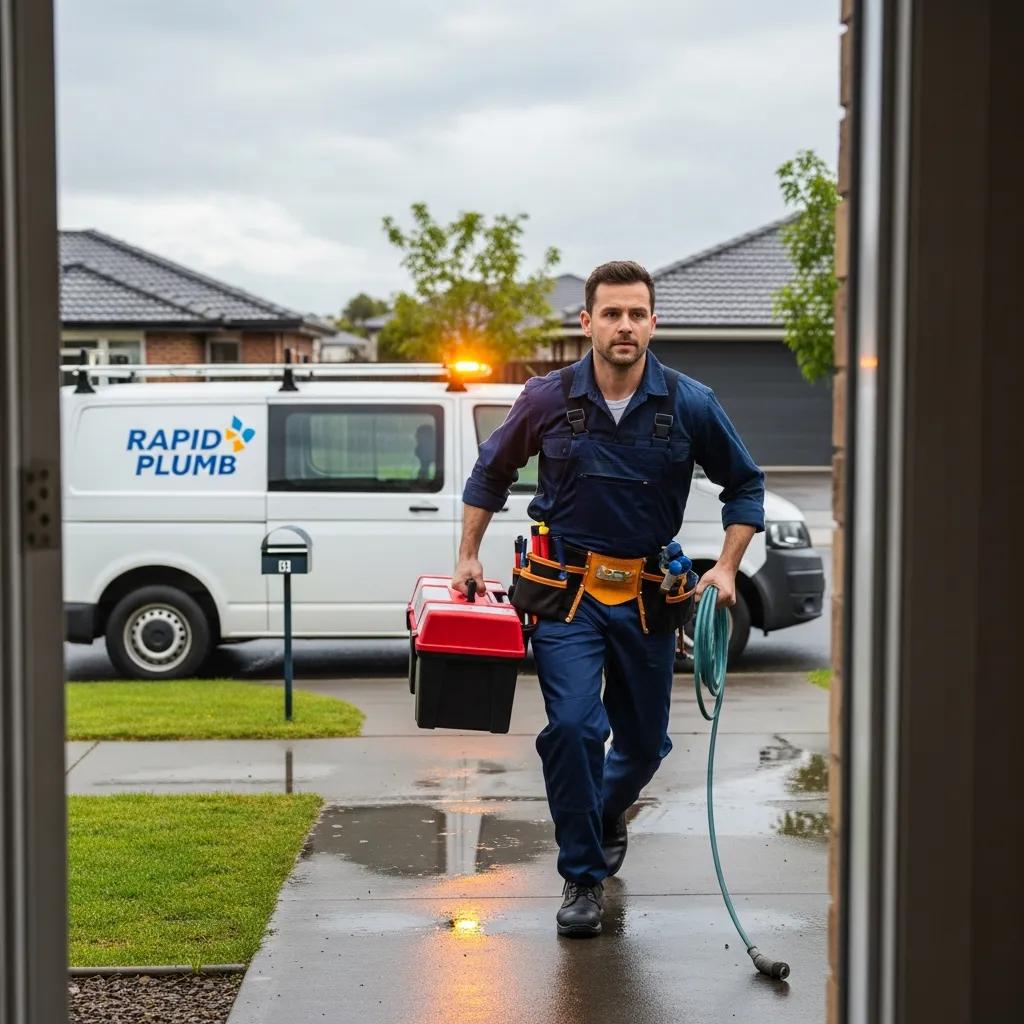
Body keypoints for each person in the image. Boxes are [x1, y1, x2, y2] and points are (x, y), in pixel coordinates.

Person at [452, 260, 765, 937]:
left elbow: (745, 485)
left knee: (646, 746)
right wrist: (468, 553)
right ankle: (582, 877)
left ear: (654, 323)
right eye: (612, 313)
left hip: (649, 597)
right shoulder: (545, 398)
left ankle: (600, 814)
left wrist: (727, 568)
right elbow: (491, 472)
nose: (625, 326)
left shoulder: (690, 403)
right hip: (566, 596)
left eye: (637, 314)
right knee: (573, 728)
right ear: (586, 321)